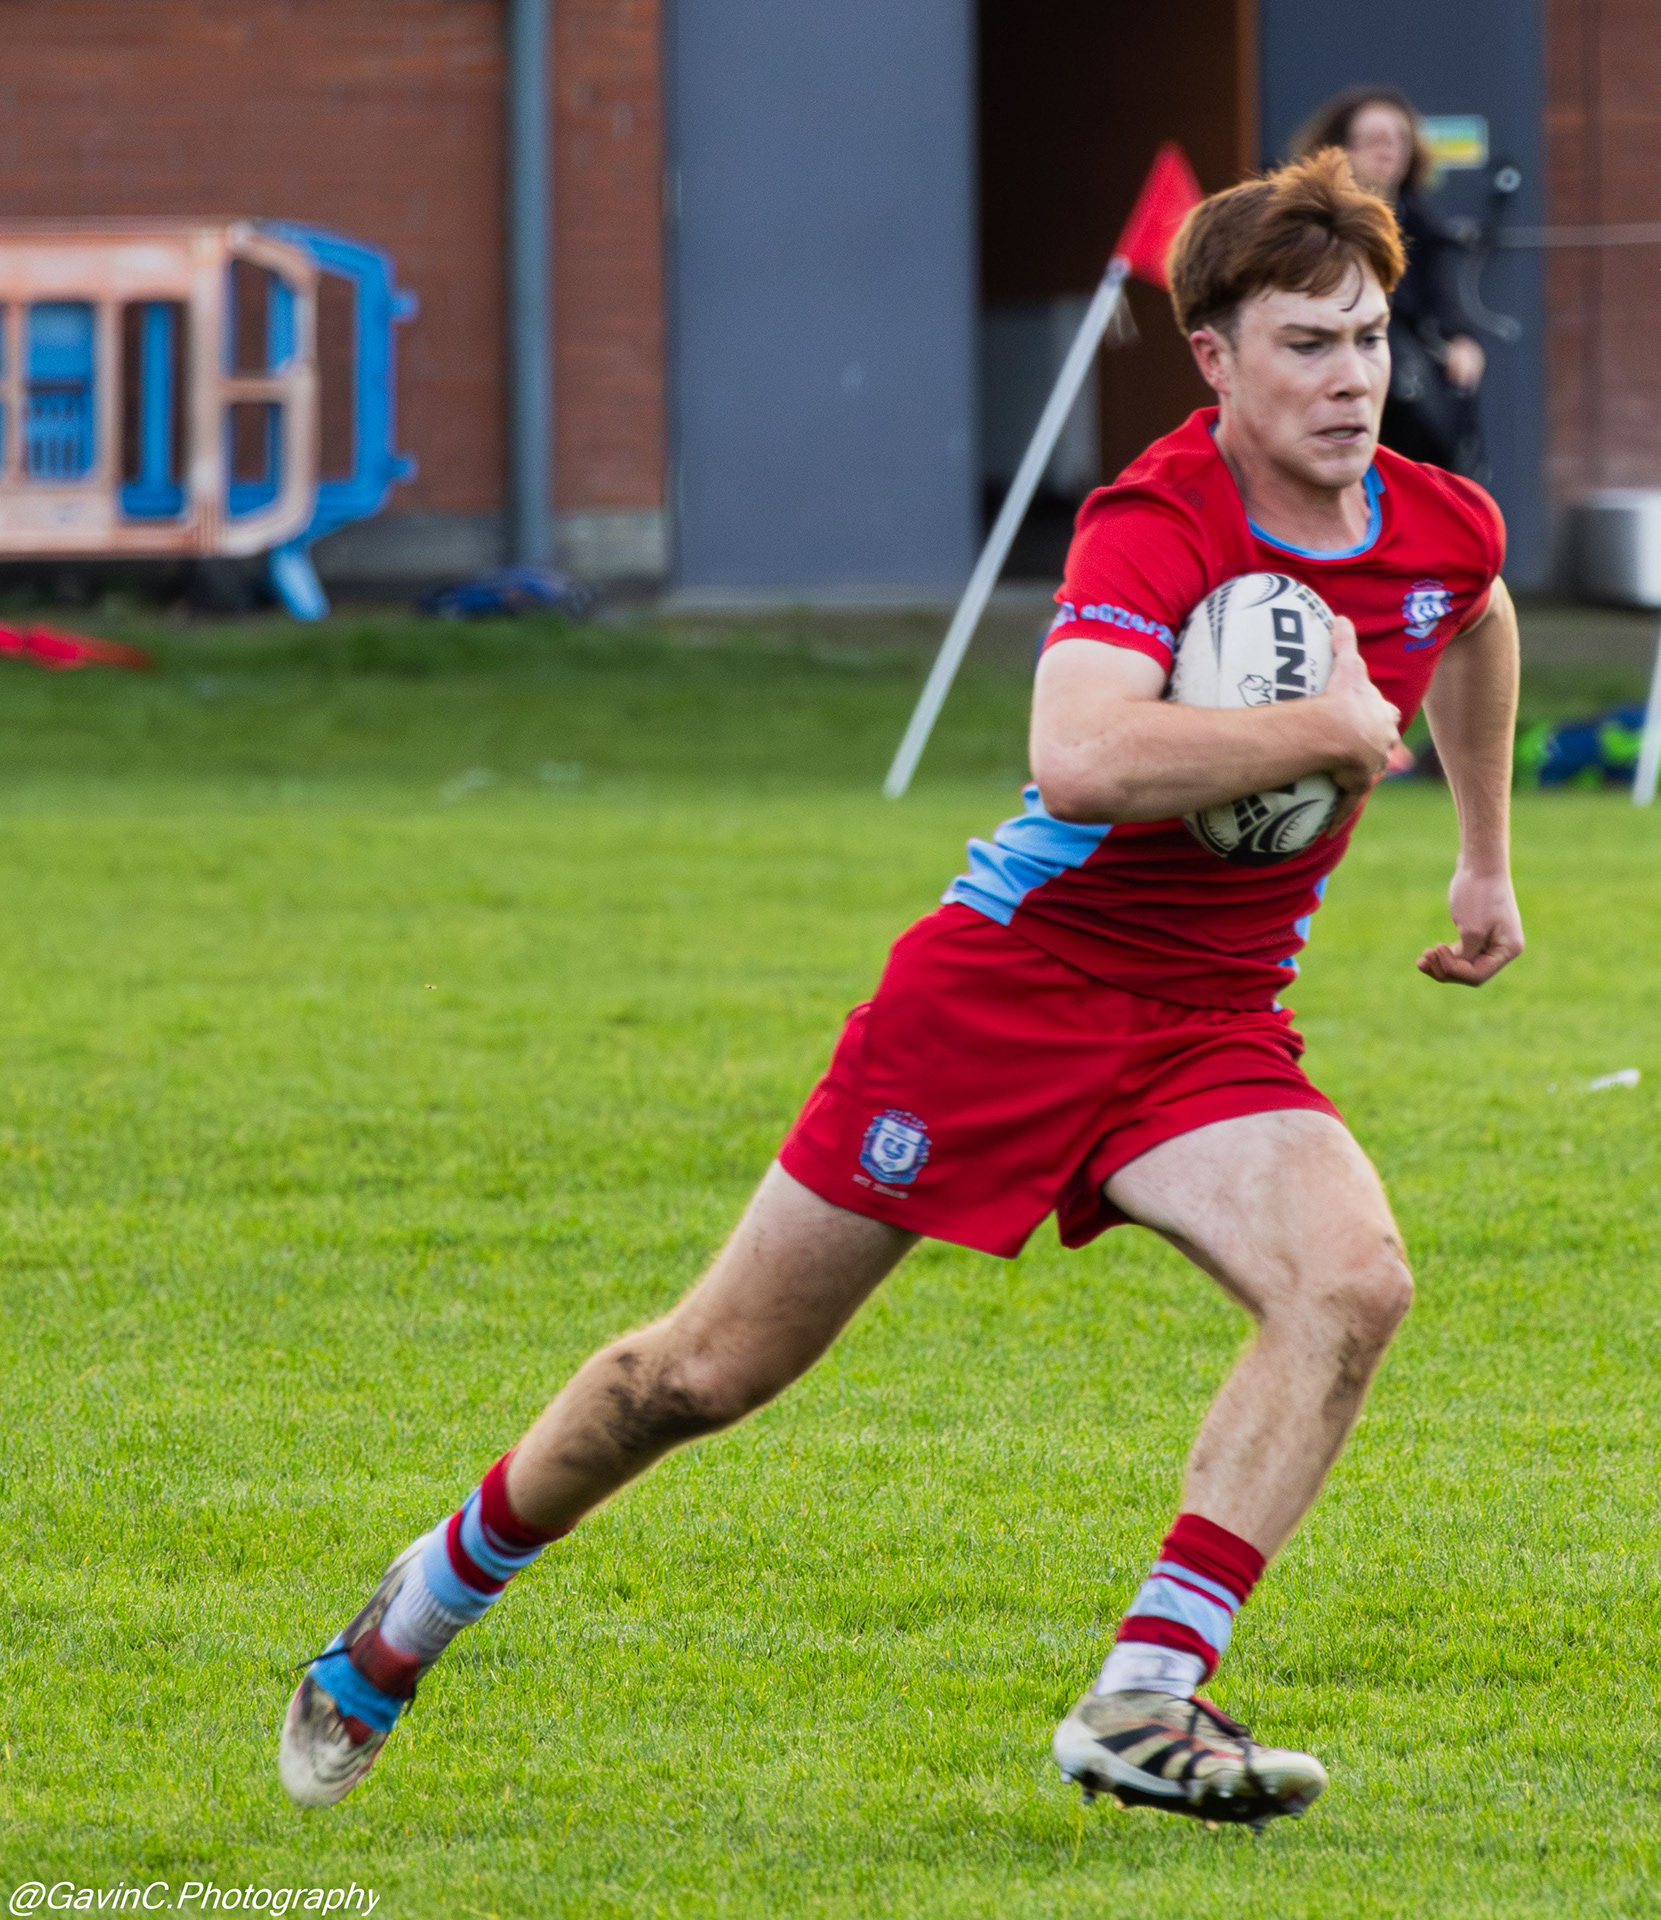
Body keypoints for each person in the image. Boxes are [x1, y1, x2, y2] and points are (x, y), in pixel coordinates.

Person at [277, 150, 1525, 1828]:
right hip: (1005, 994)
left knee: (1352, 1283)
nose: (1354, 376)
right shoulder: (1156, 519)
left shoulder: (1439, 523)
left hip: (1212, 1024)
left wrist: (1484, 855)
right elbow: (1077, 756)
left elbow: (1479, 617)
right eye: (1307, 343)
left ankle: (1148, 1694)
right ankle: (412, 1613)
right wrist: (1309, 728)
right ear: (1215, 359)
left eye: (1369, 336)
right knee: (698, 1378)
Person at [1294, 85, 1487, 472]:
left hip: (1408, 399)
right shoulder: (1308, 225)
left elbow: (1445, 306)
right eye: (1375, 139)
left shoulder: (1424, 228)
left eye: (1400, 139)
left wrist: (1464, 343)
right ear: (1340, 149)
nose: (1389, 149)